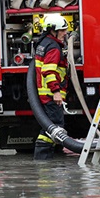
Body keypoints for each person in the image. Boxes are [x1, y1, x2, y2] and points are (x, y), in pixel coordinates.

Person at [33, 14, 70, 160]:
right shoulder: (53, 48)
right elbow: (48, 71)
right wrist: (56, 92)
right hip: (50, 94)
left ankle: (46, 159)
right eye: (62, 30)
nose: (65, 33)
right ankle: (43, 160)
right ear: (52, 30)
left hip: (45, 93)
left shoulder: (43, 43)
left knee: (51, 126)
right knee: (54, 126)